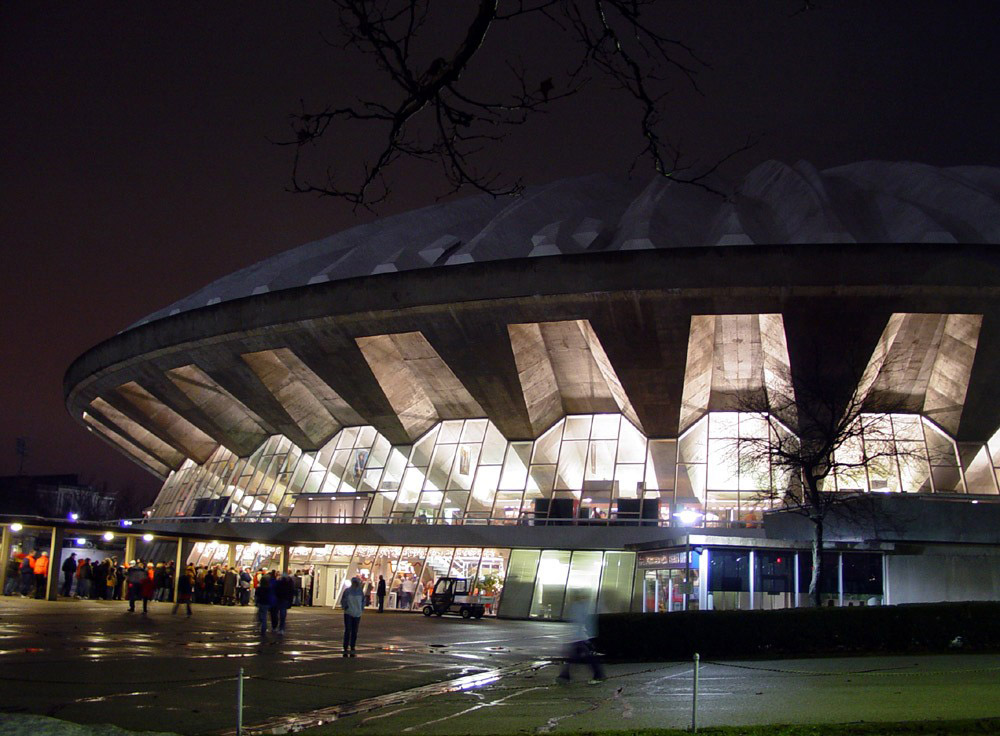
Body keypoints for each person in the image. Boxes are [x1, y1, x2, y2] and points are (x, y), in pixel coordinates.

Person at [556, 592, 605, 684]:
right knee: (579, 657)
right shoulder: (586, 606)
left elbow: (578, 622)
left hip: (579, 637)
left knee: (579, 657)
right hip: (581, 637)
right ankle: (565, 675)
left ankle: (565, 676)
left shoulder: (578, 606)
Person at [340, 576, 365, 654]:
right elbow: (363, 602)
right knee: (351, 630)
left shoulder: (349, 591)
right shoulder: (359, 592)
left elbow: (343, 601)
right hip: (352, 613)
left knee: (351, 630)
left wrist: (345, 607)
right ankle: (349, 645)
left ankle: (349, 645)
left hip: (352, 613)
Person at [254, 574, 276, 638]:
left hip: (261, 603)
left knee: (261, 615)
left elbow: (256, 596)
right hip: (267, 603)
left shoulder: (259, 588)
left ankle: (262, 626)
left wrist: (256, 602)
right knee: (264, 615)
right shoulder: (270, 588)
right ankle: (263, 627)